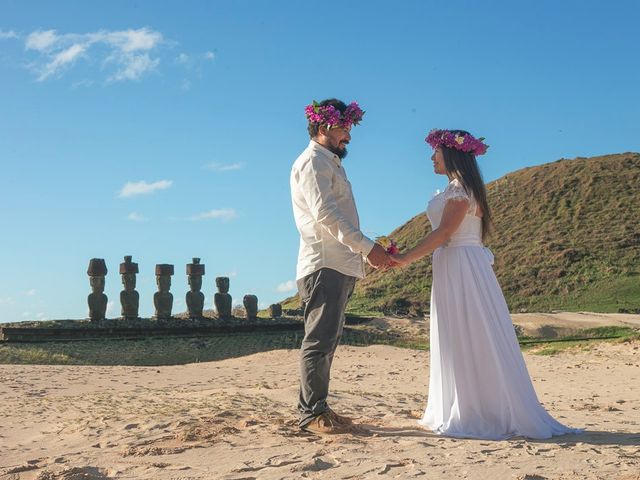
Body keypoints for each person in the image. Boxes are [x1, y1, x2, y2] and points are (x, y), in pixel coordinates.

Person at [391, 129, 581, 439]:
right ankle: (465, 402)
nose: (431, 158)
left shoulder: (460, 191)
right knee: (460, 332)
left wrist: (405, 258)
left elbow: (443, 234)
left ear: (451, 154)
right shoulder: (459, 188)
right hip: (454, 264)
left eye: (435, 152)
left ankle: (478, 408)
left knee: (471, 330)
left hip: (462, 264)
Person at [290, 98, 395, 434]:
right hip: (324, 262)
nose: (348, 135)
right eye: (343, 128)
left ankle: (318, 407)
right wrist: (367, 248)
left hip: (339, 263)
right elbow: (325, 215)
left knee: (329, 339)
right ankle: (311, 414)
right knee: (319, 339)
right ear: (324, 127)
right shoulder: (312, 163)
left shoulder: (330, 162)